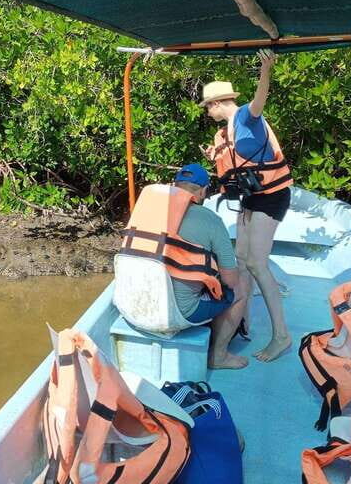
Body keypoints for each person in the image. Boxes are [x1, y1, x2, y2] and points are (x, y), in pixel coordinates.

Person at [200, 49, 293, 362]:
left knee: (256, 263)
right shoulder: (224, 133)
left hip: (273, 196)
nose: (207, 112)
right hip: (253, 196)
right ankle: (244, 320)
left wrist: (265, 70)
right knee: (240, 261)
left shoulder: (244, 117)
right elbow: (234, 171)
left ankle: (281, 336)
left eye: (208, 107)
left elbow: (259, 100)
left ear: (217, 103)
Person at [122, 164, 248, 369]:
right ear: (203, 191)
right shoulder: (211, 220)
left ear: (174, 187)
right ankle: (218, 356)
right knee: (241, 288)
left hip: (132, 308)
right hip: (177, 315)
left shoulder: (147, 212)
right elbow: (230, 281)